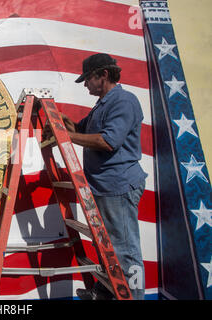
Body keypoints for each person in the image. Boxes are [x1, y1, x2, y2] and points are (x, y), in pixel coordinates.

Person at [61, 53, 148, 300]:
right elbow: (80, 129)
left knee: (125, 250)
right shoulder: (103, 103)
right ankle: (106, 291)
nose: (85, 84)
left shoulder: (123, 101)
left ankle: (133, 296)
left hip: (118, 186)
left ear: (104, 75)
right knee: (107, 246)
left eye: (88, 78)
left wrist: (66, 136)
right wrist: (63, 123)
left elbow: (107, 141)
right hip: (104, 186)